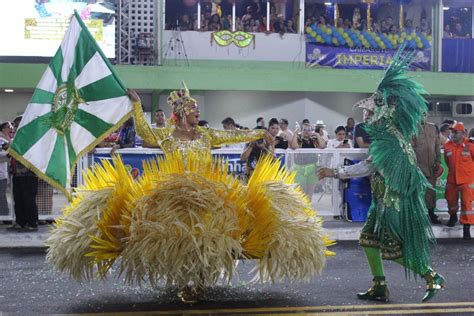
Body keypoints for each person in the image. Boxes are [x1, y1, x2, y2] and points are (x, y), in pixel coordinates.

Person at [47, 82, 333, 304]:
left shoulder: (207, 135)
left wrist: (258, 133)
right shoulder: (167, 135)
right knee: (177, 238)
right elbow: (146, 133)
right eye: (195, 110)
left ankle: (197, 281)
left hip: (206, 195)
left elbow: (234, 135)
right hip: (171, 197)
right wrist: (136, 105)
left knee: (207, 236)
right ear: (182, 113)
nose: (198, 114)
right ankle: (185, 279)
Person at [318, 49, 444, 303]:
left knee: (392, 249)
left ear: (382, 114)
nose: (366, 117)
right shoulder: (390, 135)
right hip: (383, 199)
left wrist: (335, 172)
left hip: (392, 203)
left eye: (370, 113)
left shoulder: (389, 141)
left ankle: (431, 276)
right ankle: (380, 286)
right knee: (368, 240)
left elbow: (369, 166)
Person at [443, 122, 474, 240]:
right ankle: (453, 216)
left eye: (456, 132)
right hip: (452, 180)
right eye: (452, 132)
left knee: (467, 205)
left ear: (463, 134)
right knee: (450, 200)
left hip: (466, 181)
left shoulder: (470, 146)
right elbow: (447, 161)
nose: (453, 134)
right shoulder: (447, 146)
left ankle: (466, 228)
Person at [412, 121, 442, 224]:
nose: (423, 116)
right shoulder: (413, 128)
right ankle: (418, 216)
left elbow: (437, 145)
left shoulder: (433, 128)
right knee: (418, 193)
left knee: (431, 192)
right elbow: (410, 148)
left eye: (425, 113)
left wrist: (438, 161)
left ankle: (431, 214)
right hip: (419, 167)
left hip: (431, 167)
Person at [0, 122, 12, 217]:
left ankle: (4, 215)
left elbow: (7, 156)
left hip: (2, 174)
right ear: (3, 129)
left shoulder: (5, 140)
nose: (10, 129)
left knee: (1, 196)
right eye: (8, 127)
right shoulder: (2, 140)